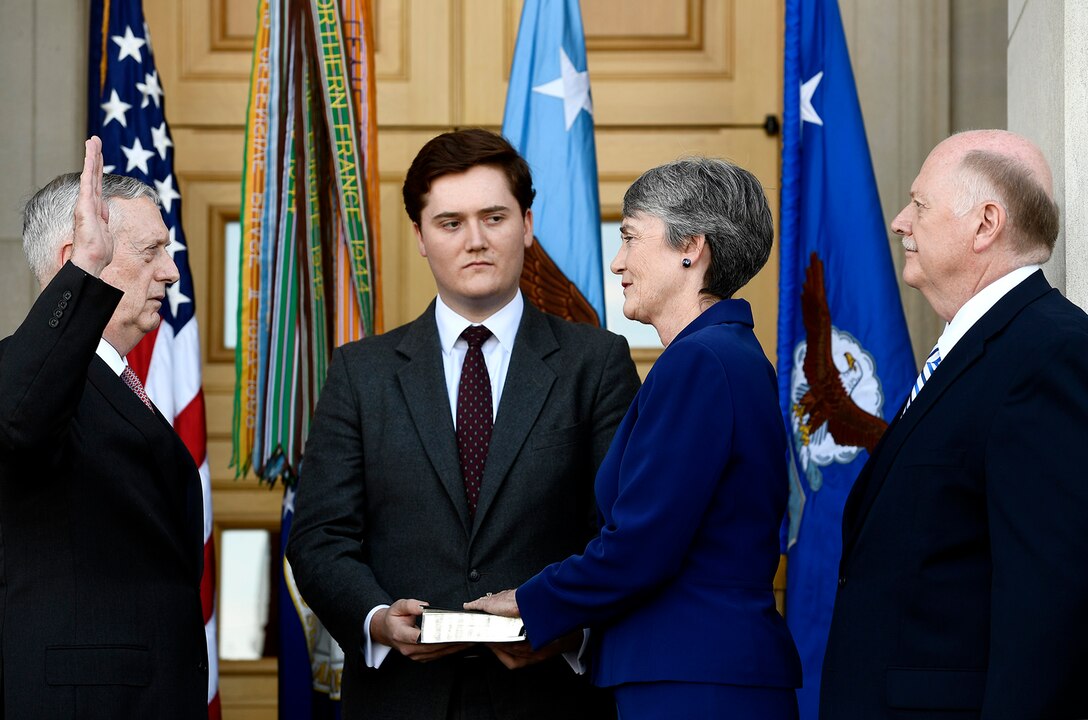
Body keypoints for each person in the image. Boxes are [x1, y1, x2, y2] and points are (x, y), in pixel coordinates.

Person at [285, 128, 641, 719]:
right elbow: (320, 537)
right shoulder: (360, 372)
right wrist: (376, 619)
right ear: (421, 237)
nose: (475, 240)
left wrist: (566, 628)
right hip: (400, 699)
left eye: (494, 217)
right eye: (450, 223)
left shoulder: (597, 363)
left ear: (527, 224)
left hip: (550, 698)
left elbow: (622, 529)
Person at [467, 157, 802, 718]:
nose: (617, 262)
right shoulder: (726, 355)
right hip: (700, 672)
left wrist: (527, 602)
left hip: (693, 682)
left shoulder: (701, 361)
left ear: (690, 247)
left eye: (629, 237)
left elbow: (642, 544)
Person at [819, 130, 1088, 719]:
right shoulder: (981, 351)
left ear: (985, 223)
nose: (899, 222)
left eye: (919, 204)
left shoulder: (1050, 354)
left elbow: (1047, 605)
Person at [0, 138, 208, 718]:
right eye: (151, 252)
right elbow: (19, 421)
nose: (171, 271)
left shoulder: (120, 382)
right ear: (78, 257)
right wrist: (83, 276)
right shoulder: (28, 377)